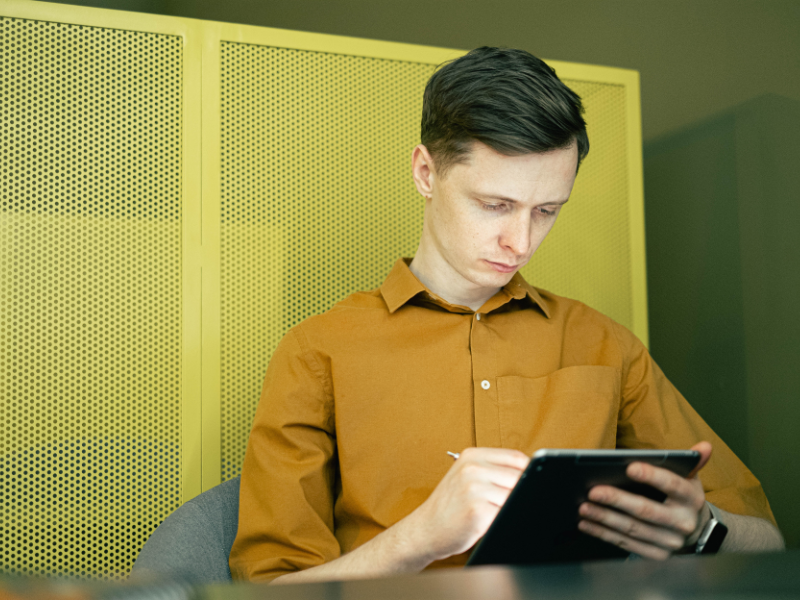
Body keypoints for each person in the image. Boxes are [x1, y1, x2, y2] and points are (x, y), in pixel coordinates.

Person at [229, 46, 784, 583]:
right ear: (426, 172)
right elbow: (269, 590)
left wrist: (701, 528)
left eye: (546, 211)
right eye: (495, 205)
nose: (520, 241)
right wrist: (419, 537)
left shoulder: (603, 343)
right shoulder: (317, 351)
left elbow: (769, 541)